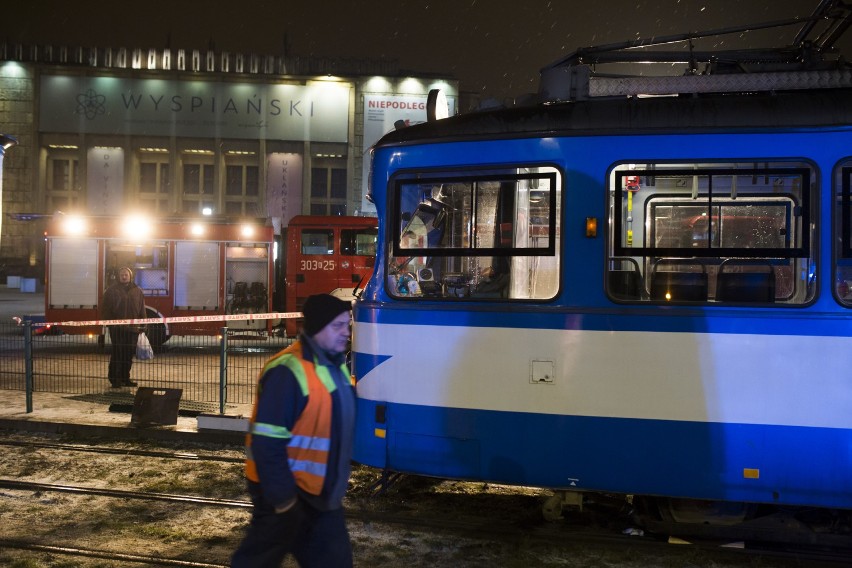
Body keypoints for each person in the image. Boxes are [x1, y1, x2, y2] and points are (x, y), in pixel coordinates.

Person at [232, 293, 356, 568]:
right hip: (284, 494)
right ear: (318, 327)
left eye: (347, 325)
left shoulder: (336, 366)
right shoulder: (288, 371)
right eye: (337, 326)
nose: (345, 333)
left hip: (320, 496)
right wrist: (285, 501)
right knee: (258, 560)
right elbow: (266, 443)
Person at [101, 266, 145, 387]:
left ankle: (126, 378)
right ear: (119, 277)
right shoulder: (111, 290)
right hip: (117, 329)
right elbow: (105, 309)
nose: (124, 276)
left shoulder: (137, 290)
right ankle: (115, 380)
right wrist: (110, 323)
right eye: (122, 275)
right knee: (118, 353)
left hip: (133, 329)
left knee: (128, 354)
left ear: (130, 276)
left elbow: (142, 308)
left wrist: (143, 325)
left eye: (126, 274)